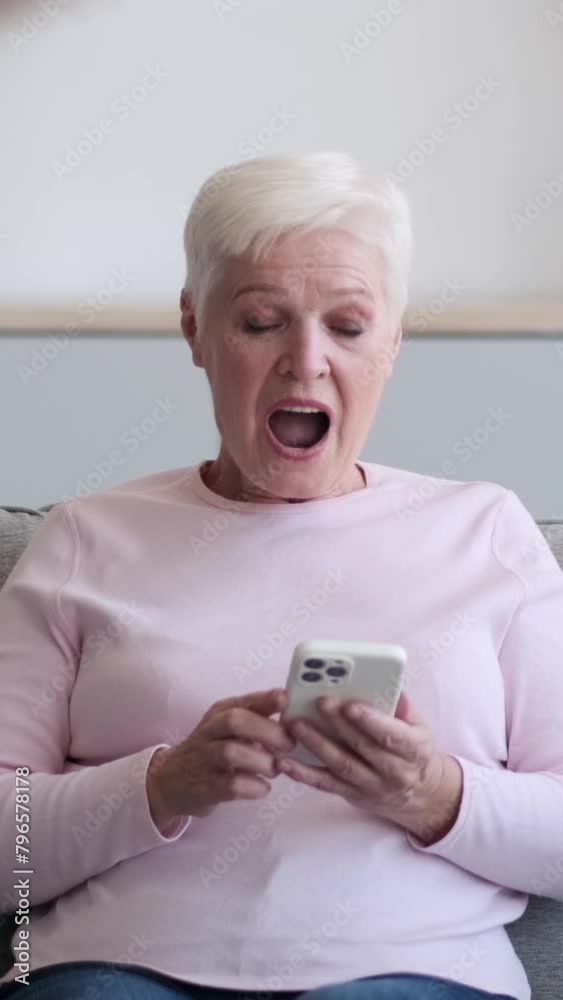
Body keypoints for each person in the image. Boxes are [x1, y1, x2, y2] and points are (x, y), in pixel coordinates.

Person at [0, 152, 562, 1000]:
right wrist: (159, 785)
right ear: (194, 328)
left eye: (348, 326)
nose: (305, 361)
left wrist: (434, 794)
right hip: (111, 971)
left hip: (412, 974)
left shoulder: (485, 532)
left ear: (394, 340)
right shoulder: (85, 537)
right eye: (260, 322)